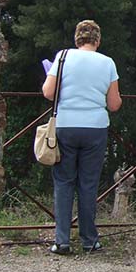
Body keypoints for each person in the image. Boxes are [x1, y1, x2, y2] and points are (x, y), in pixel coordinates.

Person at [42, 20, 122, 255]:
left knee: (64, 182)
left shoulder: (63, 56)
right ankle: (89, 239)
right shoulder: (107, 63)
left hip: (66, 125)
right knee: (88, 184)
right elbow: (114, 104)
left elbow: (48, 92)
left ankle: (62, 240)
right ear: (98, 40)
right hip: (95, 128)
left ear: (77, 39)